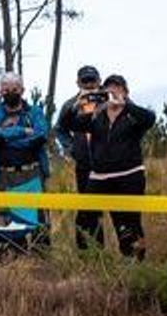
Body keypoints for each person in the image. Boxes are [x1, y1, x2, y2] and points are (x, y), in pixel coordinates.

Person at [61, 74, 155, 259]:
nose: (112, 91)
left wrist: (125, 105)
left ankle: (135, 260)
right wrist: (76, 106)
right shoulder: (96, 115)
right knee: (85, 217)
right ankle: (91, 257)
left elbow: (150, 119)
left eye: (117, 87)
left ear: (125, 91)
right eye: (108, 88)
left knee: (128, 221)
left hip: (130, 175)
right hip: (100, 177)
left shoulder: (132, 115)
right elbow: (66, 124)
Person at [0, 73, 50, 227]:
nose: (10, 93)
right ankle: (13, 251)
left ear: (22, 90)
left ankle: (40, 251)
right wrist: (23, 131)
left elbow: (40, 136)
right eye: (6, 90)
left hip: (32, 173)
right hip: (5, 175)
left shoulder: (35, 112)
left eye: (14, 89)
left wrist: (5, 137)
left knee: (39, 220)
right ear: (0, 92)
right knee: (8, 222)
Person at [55, 64, 108, 248]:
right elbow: (60, 129)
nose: (89, 84)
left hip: (111, 163)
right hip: (84, 162)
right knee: (87, 207)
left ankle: (124, 252)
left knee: (118, 208)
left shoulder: (110, 99)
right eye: (85, 80)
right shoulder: (70, 104)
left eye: (92, 80)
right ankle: (89, 250)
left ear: (99, 80)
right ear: (78, 82)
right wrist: (71, 149)